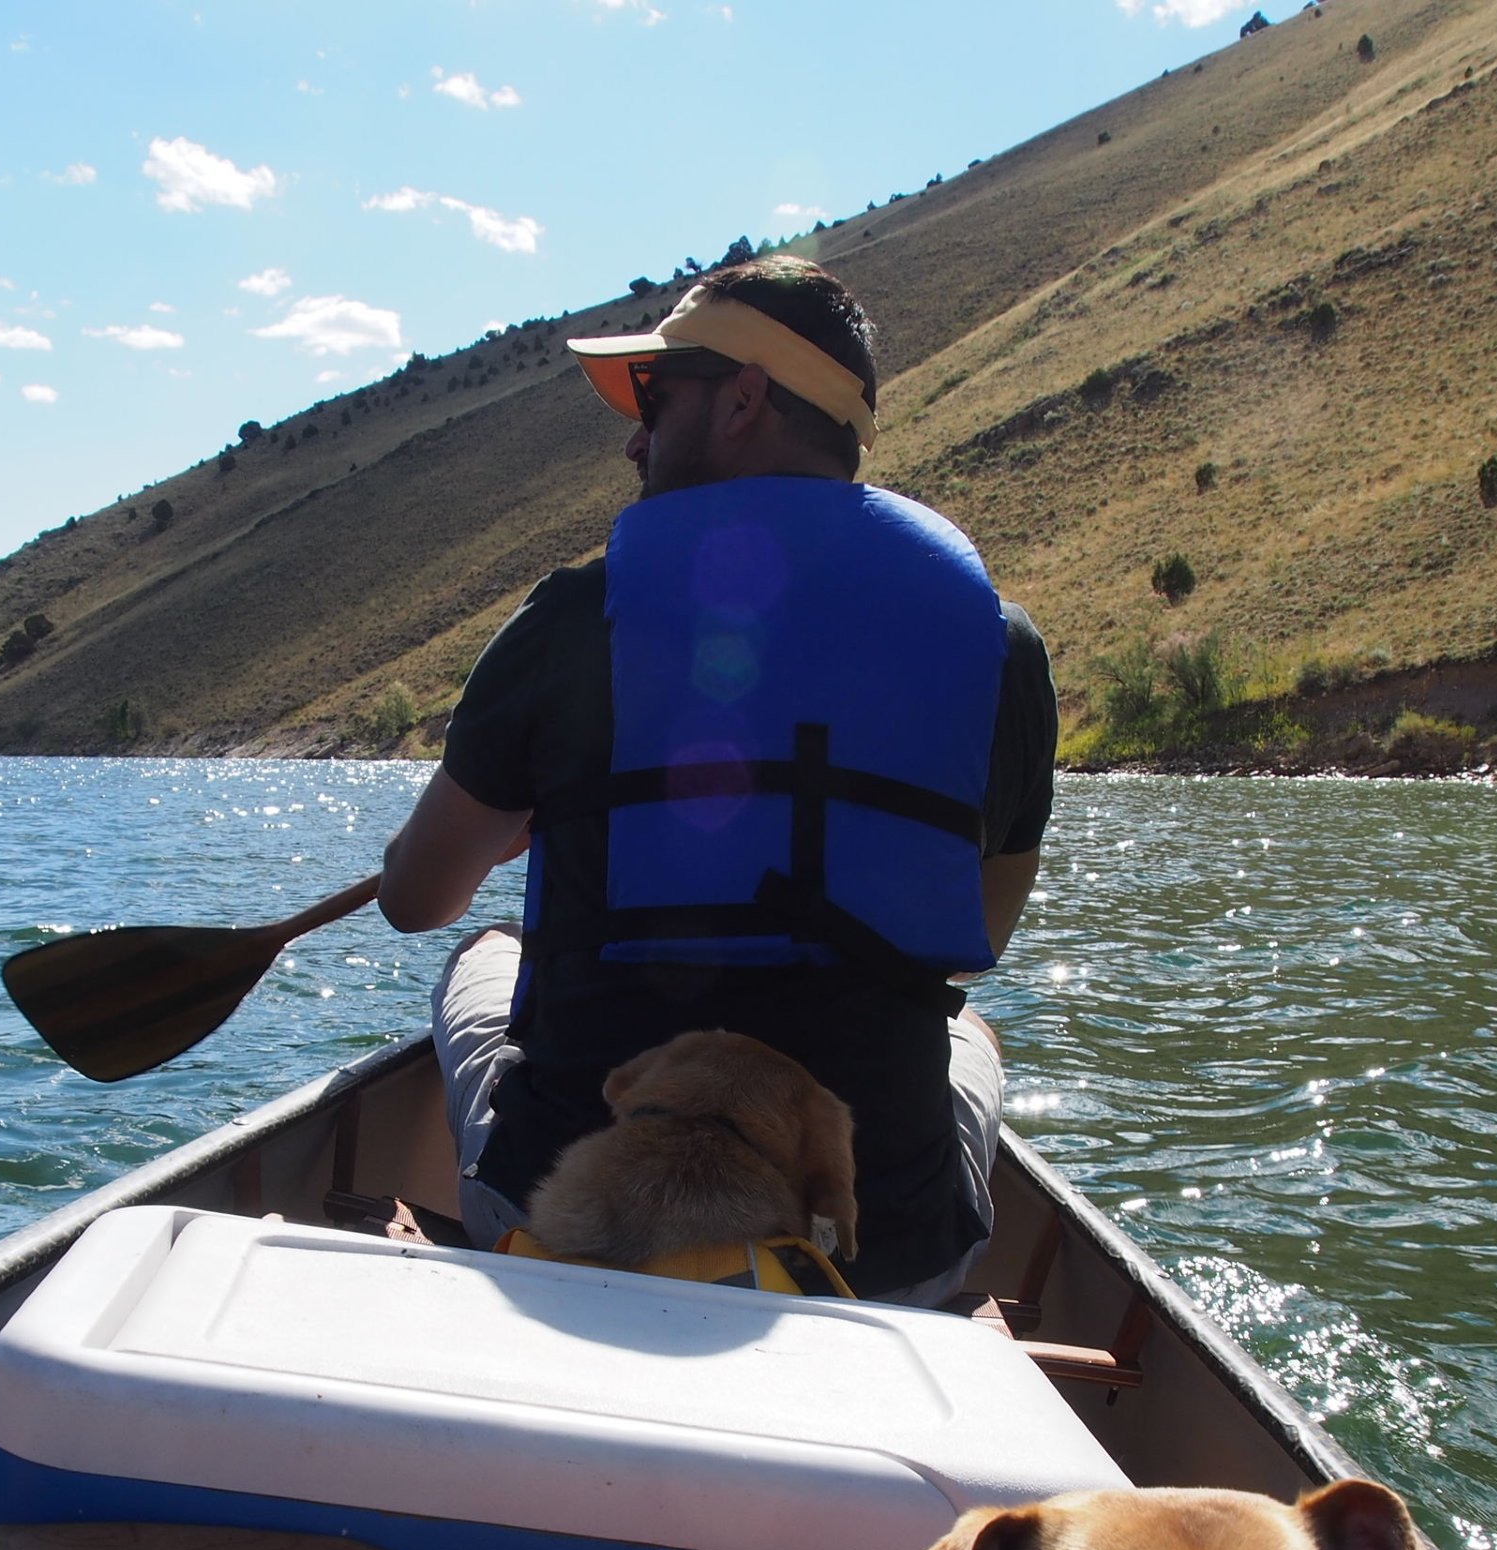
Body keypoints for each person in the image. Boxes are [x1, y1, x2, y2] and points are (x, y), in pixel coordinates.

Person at [378, 256, 1056, 1304]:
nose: (634, 435)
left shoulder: (572, 619)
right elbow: (977, 944)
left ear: (743, 398)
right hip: (879, 1256)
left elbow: (414, 899)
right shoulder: (998, 647)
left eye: (656, 394)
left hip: (578, 1225)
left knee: (480, 948)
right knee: (968, 1031)